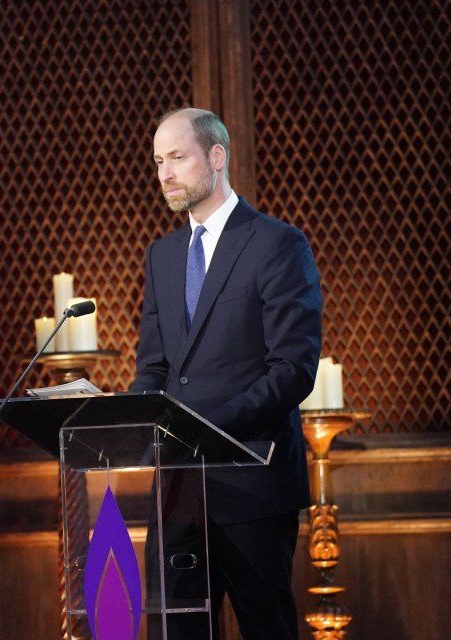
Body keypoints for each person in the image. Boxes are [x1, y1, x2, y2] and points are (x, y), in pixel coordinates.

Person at [130, 108, 323, 639]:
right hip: (176, 493)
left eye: (177, 158)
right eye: (157, 161)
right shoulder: (162, 255)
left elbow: (293, 369)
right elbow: (154, 366)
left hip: (252, 483)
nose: (165, 173)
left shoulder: (277, 243)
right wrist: (132, 413)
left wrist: (205, 429)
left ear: (216, 157)